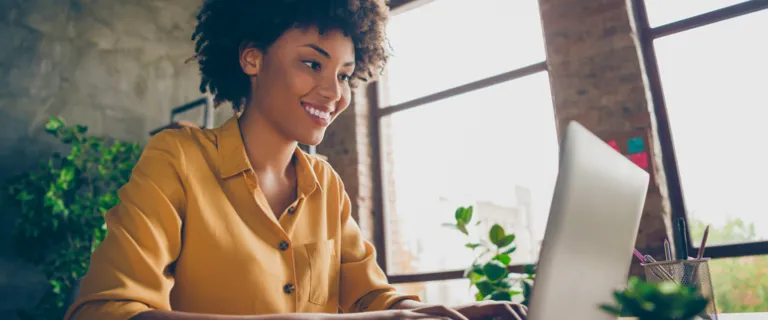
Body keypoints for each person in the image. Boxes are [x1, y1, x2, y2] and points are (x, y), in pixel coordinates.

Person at [64, 0, 528, 319]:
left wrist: (446, 313)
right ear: (252, 59)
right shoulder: (177, 159)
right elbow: (105, 312)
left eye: (345, 75)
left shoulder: (325, 185)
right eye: (313, 64)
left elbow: (369, 296)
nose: (334, 93)